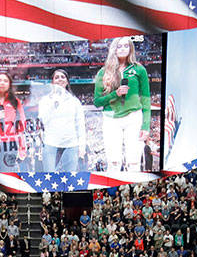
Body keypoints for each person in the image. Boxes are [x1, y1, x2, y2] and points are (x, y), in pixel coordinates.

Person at [92, 36, 151, 171]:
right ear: (114, 49)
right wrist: (115, 94)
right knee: (113, 162)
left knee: (134, 161)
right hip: (111, 118)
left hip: (134, 117)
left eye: (126, 45)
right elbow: (97, 102)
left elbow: (146, 100)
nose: (123, 48)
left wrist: (146, 126)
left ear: (131, 48)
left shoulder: (139, 70)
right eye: (119, 46)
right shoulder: (104, 72)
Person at [38, 68, 86, 171]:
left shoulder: (74, 101)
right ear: (52, 82)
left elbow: (80, 124)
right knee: (50, 177)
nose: (60, 79)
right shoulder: (45, 101)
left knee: (69, 178)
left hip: (71, 144)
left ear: (67, 81)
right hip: (51, 144)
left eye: (63, 77)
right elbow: (43, 121)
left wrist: (82, 146)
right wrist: (53, 105)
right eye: (57, 77)